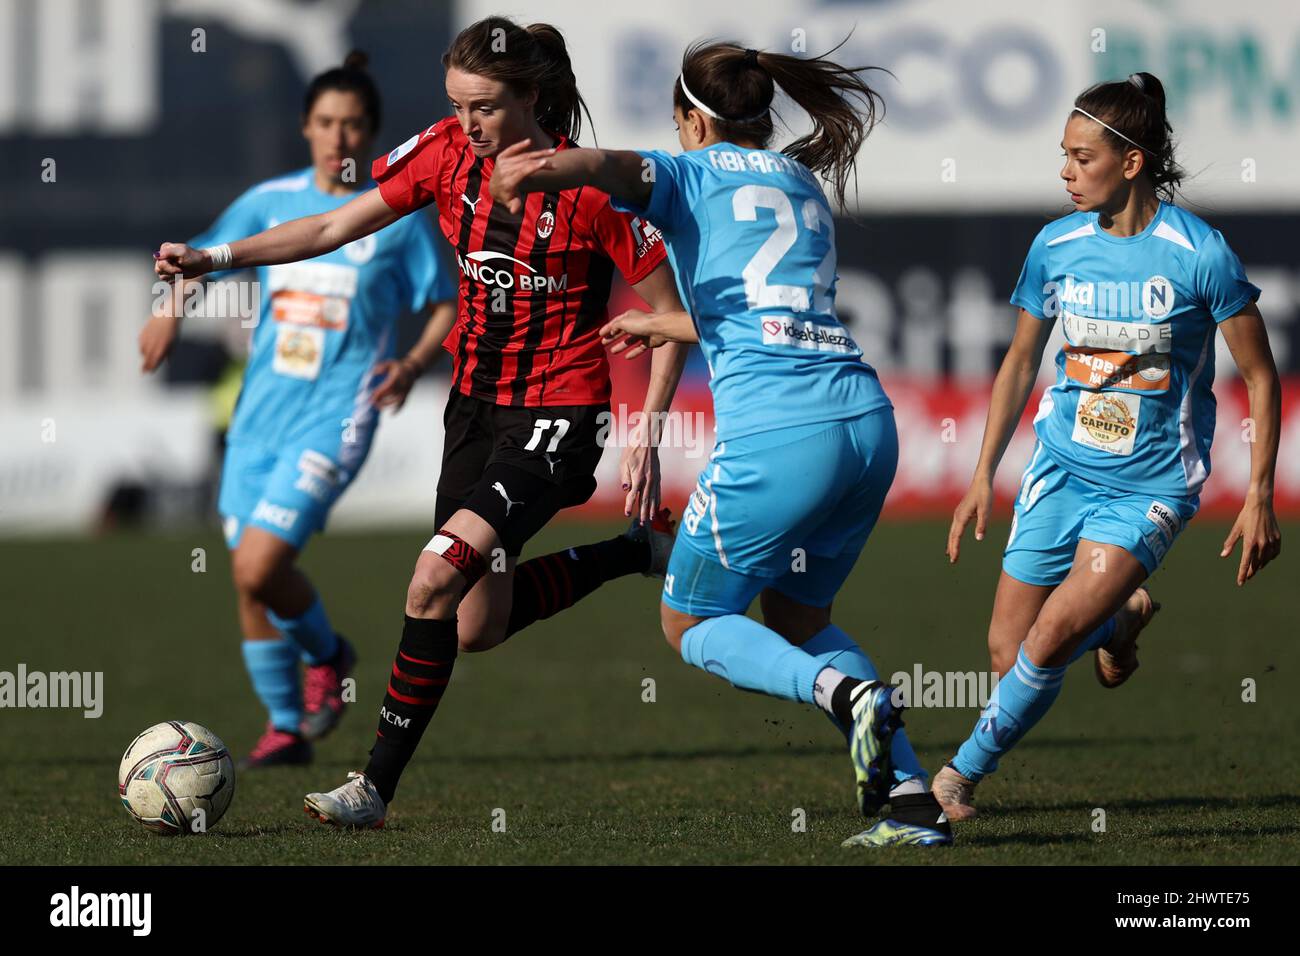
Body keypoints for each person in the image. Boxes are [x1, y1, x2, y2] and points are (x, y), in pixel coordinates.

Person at [154, 17, 690, 827]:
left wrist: (647, 424)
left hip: (558, 417)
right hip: (474, 411)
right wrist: (215, 259)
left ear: (530, 98)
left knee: (433, 577)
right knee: (476, 622)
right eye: (457, 105)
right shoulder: (442, 153)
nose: (467, 123)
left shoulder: (587, 189)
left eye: (484, 107)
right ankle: (633, 551)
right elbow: (332, 226)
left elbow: (667, 313)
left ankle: (372, 787)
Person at [491, 39, 954, 847]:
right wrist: (665, 320)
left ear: (687, 119)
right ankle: (913, 801)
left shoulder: (686, 173)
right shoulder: (802, 183)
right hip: (864, 424)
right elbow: (768, 310)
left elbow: (607, 167)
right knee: (801, 617)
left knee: (692, 620)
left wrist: (537, 168)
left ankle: (849, 700)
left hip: (780, 436)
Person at [936, 72, 1282, 820]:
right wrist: (980, 475)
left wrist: (1257, 494)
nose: (1065, 171)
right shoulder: (1054, 246)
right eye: (1061, 154)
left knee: (1052, 635)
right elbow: (1022, 362)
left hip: (1149, 485)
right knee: (1011, 653)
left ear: (1131, 162)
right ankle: (1121, 621)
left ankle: (956, 778)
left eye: (1081, 157)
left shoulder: (1200, 254)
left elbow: (1260, 375)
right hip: (1060, 467)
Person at [141, 52, 457, 768]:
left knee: (259, 565)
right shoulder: (270, 201)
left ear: (371, 134)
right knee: (250, 579)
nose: (338, 138)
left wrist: (410, 363)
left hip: (337, 416)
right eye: (325, 123)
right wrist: (168, 311)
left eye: (352, 125)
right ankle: (285, 729)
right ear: (306, 128)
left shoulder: (394, 215)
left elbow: (444, 301)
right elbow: (197, 259)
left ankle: (330, 653)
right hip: (259, 416)